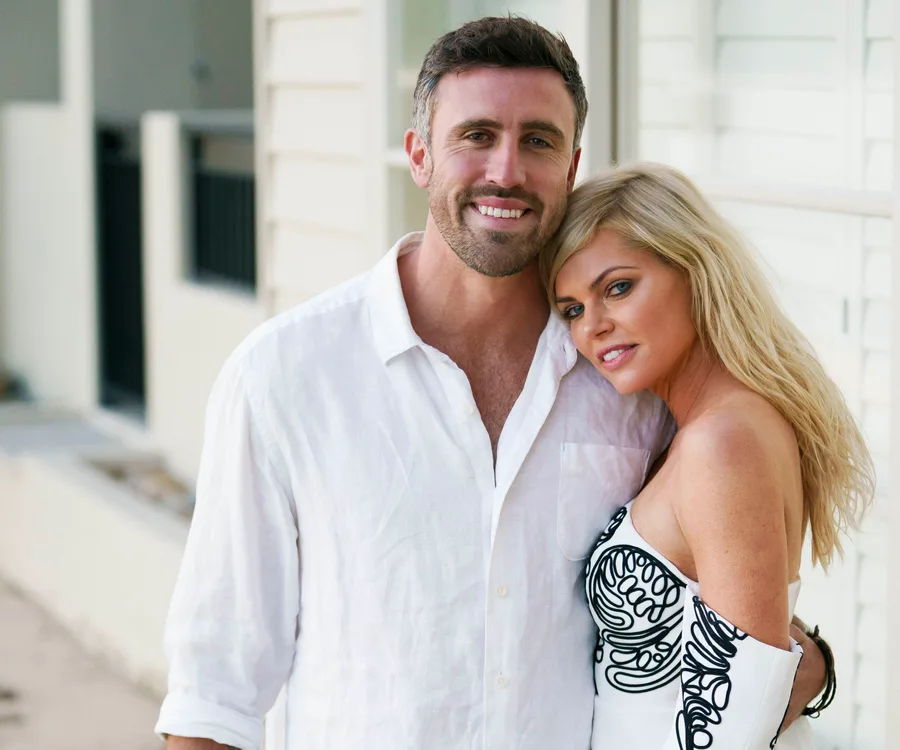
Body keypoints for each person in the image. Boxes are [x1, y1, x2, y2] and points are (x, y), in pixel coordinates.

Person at [155, 17, 829, 750]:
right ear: (419, 155)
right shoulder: (285, 376)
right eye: (476, 135)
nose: (506, 170)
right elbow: (212, 697)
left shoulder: (629, 380)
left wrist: (804, 667)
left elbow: (715, 602)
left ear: (571, 167)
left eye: (537, 140)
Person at [543, 162, 875, 748]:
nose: (593, 326)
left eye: (617, 287)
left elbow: (730, 722)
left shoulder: (721, 443)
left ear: (695, 272)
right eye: (572, 309)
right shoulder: (715, 425)